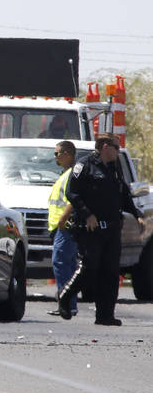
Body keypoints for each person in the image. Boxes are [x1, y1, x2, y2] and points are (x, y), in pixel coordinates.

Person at [58, 133, 144, 324]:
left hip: (113, 229)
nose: (118, 150)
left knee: (111, 272)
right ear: (105, 146)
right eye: (116, 147)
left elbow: (124, 194)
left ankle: (105, 315)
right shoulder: (85, 165)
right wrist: (87, 214)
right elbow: (72, 193)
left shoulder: (114, 167)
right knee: (89, 269)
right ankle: (65, 296)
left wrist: (137, 215)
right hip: (91, 229)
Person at [47, 140, 78, 317]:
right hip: (61, 226)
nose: (55, 157)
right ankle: (69, 304)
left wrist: (63, 219)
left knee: (61, 263)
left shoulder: (71, 174)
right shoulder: (66, 173)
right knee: (69, 265)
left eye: (57, 153)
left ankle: (66, 304)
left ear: (67, 154)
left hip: (64, 226)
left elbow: (71, 200)